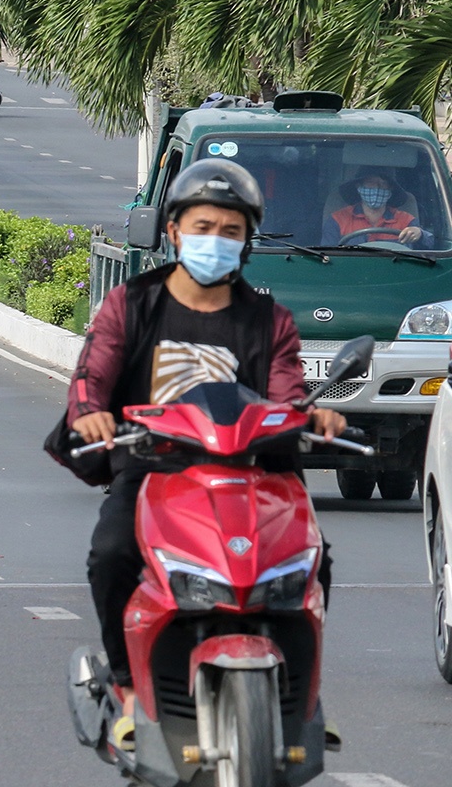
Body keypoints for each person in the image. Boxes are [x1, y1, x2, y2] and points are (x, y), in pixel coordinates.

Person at [66, 158, 345, 748]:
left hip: (252, 470)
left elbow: (287, 391)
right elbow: (94, 371)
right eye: (202, 227)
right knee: (111, 555)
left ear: (247, 240)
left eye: (230, 230)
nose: (215, 240)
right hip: (154, 467)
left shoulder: (269, 320)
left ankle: (302, 698)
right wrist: (90, 411)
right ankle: (128, 687)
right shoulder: (130, 304)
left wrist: (309, 417)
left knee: (312, 561)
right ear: (173, 231)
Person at [322, 168, 431, 247]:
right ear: (358, 186)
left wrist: (420, 234)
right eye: (370, 183)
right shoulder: (337, 220)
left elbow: (431, 249)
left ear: (390, 189)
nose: (377, 187)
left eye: (383, 184)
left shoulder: (406, 221)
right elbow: (327, 258)